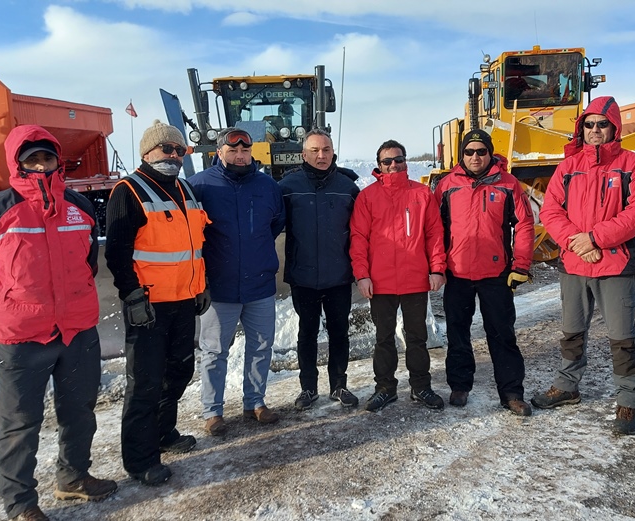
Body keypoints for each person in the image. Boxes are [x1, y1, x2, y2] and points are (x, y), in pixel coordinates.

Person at [0, 125, 116, 521]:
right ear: (17, 163)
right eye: (30, 158)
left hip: (77, 330)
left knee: (80, 410)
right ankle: (20, 504)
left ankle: (73, 478)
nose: (40, 165)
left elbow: (88, 262)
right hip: (22, 337)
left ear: (57, 161)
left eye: (46, 157)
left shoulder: (79, 207)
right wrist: (10, 308)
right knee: (19, 424)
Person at [531, 96, 635, 436]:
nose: (595, 130)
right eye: (589, 124)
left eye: (602, 124)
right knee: (571, 333)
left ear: (614, 127)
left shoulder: (633, 165)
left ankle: (629, 401)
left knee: (621, 338)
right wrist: (576, 242)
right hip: (574, 263)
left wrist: (596, 239)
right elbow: (551, 211)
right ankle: (568, 386)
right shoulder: (568, 168)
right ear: (581, 128)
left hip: (614, 264)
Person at [105, 120, 209, 486]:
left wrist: (201, 284)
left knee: (179, 371)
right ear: (147, 152)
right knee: (145, 382)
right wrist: (131, 295)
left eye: (179, 150)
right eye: (167, 149)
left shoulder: (185, 190)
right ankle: (139, 458)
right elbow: (117, 251)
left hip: (183, 300)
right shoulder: (128, 191)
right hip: (148, 306)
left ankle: (164, 433)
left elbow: (195, 245)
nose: (174, 156)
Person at [433, 129, 535, 416]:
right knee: (458, 334)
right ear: (461, 154)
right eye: (469, 152)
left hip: (496, 275)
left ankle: (512, 392)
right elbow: (435, 230)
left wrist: (521, 265)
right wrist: (437, 267)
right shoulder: (447, 186)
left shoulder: (508, 184)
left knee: (502, 335)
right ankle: (460, 385)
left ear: (490, 153)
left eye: (481, 151)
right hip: (459, 274)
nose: (475, 157)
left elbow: (525, 225)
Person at [189, 127, 285, 432]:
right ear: (219, 152)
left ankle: (254, 402)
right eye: (233, 151)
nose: (240, 156)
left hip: (259, 285)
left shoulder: (268, 186)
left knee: (261, 346)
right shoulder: (200, 186)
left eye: (245, 151)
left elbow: (275, 224)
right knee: (215, 350)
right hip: (219, 287)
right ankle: (212, 412)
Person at [350, 140, 447, 412]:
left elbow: (434, 234)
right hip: (379, 282)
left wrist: (437, 268)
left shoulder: (421, 194)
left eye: (399, 159)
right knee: (383, 338)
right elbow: (359, 239)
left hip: (415, 279)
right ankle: (385, 388)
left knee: (417, 337)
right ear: (379, 166)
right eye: (387, 161)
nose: (394, 165)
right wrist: (362, 275)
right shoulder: (368, 197)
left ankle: (420, 386)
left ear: (405, 162)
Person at [277, 129, 361, 411]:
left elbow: (361, 231)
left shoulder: (348, 186)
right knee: (307, 333)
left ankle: (339, 384)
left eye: (326, 149)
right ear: (304, 154)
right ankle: (308, 388)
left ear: (333, 151)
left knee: (340, 332)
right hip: (303, 276)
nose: (321, 155)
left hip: (338, 275)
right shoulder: (288, 186)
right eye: (314, 150)